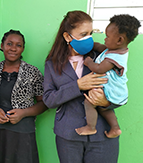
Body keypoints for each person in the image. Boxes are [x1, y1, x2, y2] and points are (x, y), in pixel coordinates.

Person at [43, 10, 120, 163]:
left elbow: (120, 92)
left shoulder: (103, 59)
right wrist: (77, 85)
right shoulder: (52, 64)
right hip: (68, 136)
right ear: (67, 36)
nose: (89, 38)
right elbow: (48, 100)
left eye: (90, 33)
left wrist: (106, 103)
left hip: (102, 135)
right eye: (83, 34)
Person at [0, 29, 47, 163]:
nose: (13, 49)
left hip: (23, 132)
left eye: (18, 45)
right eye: (9, 44)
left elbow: (44, 103)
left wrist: (23, 113)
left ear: (23, 49)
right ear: (2, 46)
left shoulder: (32, 72)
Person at [75, 14, 141, 138]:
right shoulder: (116, 49)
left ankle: (90, 127)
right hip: (116, 95)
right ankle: (115, 128)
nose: (104, 39)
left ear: (119, 40)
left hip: (113, 92)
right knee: (105, 109)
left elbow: (99, 69)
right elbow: (102, 47)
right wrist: (91, 44)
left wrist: (89, 62)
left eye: (107, 36)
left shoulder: (114, 58)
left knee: (89, 102)